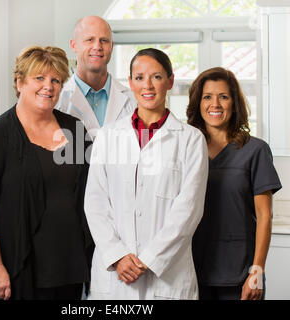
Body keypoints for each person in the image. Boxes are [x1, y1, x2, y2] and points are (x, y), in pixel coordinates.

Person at [0, 45, 94, 300]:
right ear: (20, 82)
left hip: (70, 266)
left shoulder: (75, 129)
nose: (49, 86)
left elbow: (95, 191)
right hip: (21, 269)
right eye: (39, 78)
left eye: (56, 80)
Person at [84, 48, 208, 300]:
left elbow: (189, 210)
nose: (147, 85)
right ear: (130, 83)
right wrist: (117, 255)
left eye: (157, 77)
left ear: (170, 81)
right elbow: (95, 203)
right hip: (115, 277)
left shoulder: (191, 140)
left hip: (168, 277)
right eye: (139, 77)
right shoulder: (108, 136)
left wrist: (149, 260)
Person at [187, 67, 282, 300]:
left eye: (224, 97)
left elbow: (265, 216)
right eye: (207, 97)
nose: (215, 104)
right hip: (192, 271)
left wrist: (257, 272)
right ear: (198, 103)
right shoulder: (187, 148)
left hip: (241, 274)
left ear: (234, 103)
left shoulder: (255, 150)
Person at [55, 15, 136, 140]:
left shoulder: (133, 101)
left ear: (112, 46)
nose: (97, 46)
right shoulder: (57, 101)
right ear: (74, 45)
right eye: (89, 40)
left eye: (104, 40)